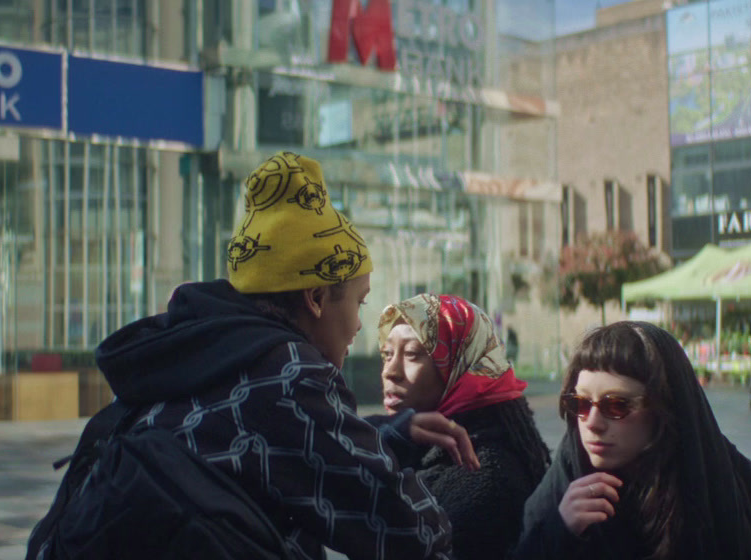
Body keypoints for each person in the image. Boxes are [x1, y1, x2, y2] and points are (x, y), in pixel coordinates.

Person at [30, 153, 468, 559]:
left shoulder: (196, 342)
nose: (358, 325)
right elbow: (410, 531)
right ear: (315, 298)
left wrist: (387, 434)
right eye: (360, 302)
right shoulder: (290, 372)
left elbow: (263, 440)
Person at [514, 322, 751, 559]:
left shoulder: (732, 488)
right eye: (580, 404)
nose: (592, 423)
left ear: (663, 409)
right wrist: (559, 531)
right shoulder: (564, 485)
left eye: (616, 406)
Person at [378, 294, 550, 559]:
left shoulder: (484, 480)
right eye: (387, 354)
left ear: (461, 365)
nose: (390, 370)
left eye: (412, 354)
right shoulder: (406, 448)